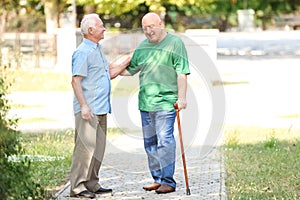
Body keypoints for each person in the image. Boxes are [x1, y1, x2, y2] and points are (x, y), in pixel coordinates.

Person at [121, 12, 190, 194]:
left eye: (151, 27)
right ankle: (158, 179)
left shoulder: (175, 43)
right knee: (150, 143)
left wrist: (182, 98)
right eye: (144, 28)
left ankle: (168, 181)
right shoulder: (143, 46)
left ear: (160, 24)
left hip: (166, 102)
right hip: (145, 102)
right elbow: (130, 69)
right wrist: (110, 71)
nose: (148, 31)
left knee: (165, 141)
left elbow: (182, 72)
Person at [70, 13, 131, 198]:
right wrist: (84, 106)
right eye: (101, 26)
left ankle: (92, 183)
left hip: (102, 107)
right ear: (90, 30)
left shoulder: (97, 49)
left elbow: (110, 72)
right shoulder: (82, 52)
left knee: (98, 149)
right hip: (89, 109)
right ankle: (77, 187)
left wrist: (132, 57)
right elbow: (75, 81)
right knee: (85, 149)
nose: (104, 29)